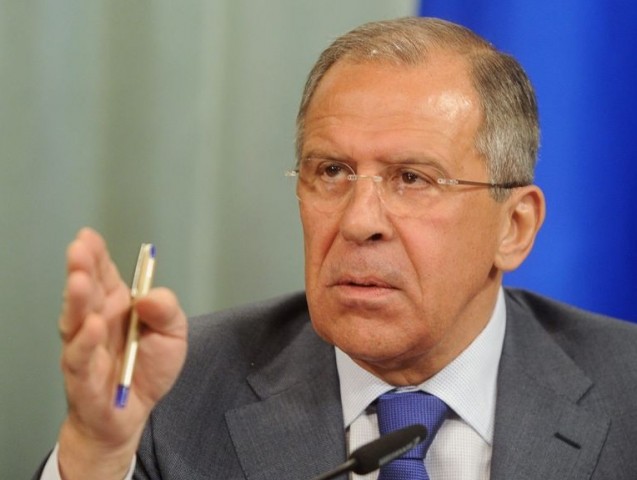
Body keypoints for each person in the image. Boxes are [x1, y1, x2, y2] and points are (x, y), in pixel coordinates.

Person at [35, 17, 637, 480]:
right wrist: (97, 453)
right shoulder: (172, 393)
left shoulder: (626, 390)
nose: (358, 221)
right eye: (331, 171)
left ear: (515, 226)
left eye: (412, 178)